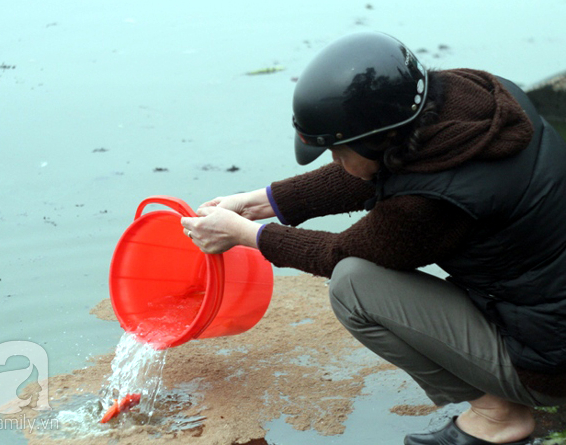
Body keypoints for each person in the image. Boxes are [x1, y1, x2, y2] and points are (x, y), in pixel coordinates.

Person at [180, 31, 566, 444]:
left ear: (382, 141)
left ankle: (499, 415)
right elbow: (393, 167)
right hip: (551, 310)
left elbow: (339, 252)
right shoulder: (478, 98)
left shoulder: (430, 204)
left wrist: (245, 234)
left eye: (339, 150)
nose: (336, 161)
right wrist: (264, 200)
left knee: (353, 285)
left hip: (549, 364)